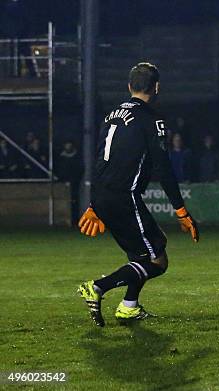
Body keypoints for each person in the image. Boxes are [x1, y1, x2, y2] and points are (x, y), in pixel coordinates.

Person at [77, 63, 199, 327]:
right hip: (124, 196)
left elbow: (100, 159)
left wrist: (93, 203)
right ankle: (98, 287)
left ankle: (129, 307)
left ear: (129, 86)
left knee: (143, 254)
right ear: (156, 87)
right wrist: (181, 209)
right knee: (158, 260)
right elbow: (163, 167)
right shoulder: (152, 120)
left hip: (103, 194)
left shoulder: (110, 116)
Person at [55, 140, 83, 225]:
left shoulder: (76, 157)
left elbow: (80, 170)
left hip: (74, 183)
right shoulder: (61, 157)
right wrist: (63, 179)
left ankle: (74, 220)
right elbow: (59, 170)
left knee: (74, 201)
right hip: (64, 184)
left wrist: (75, 180)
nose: (68, 146)